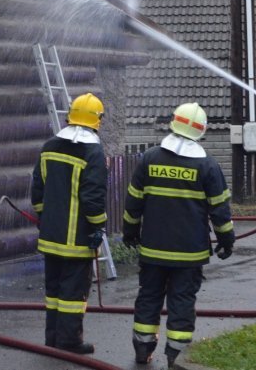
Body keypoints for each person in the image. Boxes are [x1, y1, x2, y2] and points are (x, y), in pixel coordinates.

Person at [122, 102, 234, 370]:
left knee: (148, 296)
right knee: (182, 300)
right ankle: (176, 357)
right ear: (201, 131)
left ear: (173, 123)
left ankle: (142, 350)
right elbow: (220, 211)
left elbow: (133, 203)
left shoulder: (149, 158)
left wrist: (130, 233)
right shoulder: (208, 166)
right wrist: (226, 241)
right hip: (189, 252)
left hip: (153, 249)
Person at [30, 92, 108, 354]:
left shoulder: (49, 147)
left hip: (50, 235)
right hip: (77, 239)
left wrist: (44, 218)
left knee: (53, 292)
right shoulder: (93, 152)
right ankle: (70, 342)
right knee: (73, 295)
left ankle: (52, 339)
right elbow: (93, 197)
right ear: (97, 120)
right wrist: (99, 226)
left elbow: (37, 190)